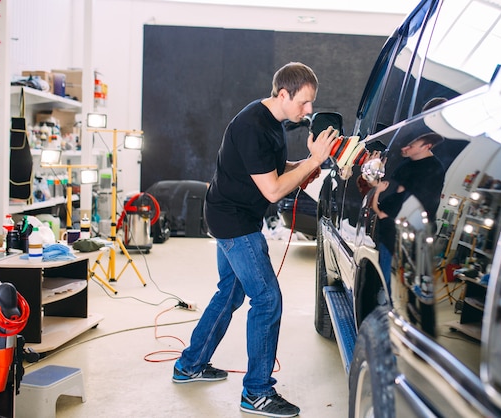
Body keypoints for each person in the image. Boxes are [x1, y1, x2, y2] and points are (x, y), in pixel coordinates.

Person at [172, 62, 338, 418]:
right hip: (235, 222)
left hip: (232, 214)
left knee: (230, 293)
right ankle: (258, 393)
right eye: (304, 102)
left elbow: (275, 167)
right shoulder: (252, 126)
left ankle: (190, 365)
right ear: (283, 94)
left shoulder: (272, 123)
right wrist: (312, 162)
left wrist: (307, 163)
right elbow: (274, 189)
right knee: (267, 299)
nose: (308, 111)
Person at [370, 132, 445, 292]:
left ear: (427, 146)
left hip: (406, 232)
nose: (405, 148)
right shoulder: (406, 164)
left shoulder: (433, 170)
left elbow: (415, 203)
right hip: (391, 230)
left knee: (399, 283)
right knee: (388, 280)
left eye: (411, 145)